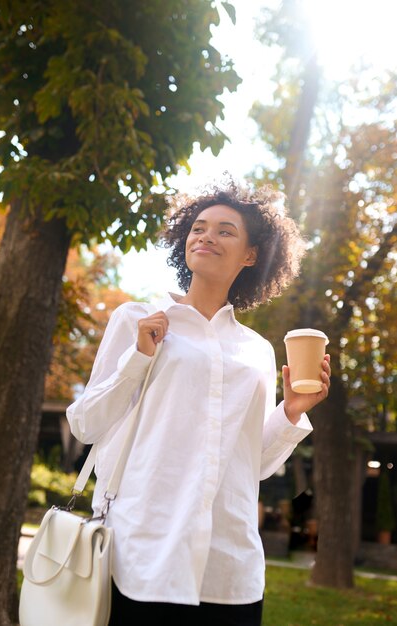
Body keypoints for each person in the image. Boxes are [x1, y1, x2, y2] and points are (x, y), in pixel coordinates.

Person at [66, 178, 331, 626]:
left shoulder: (257, 351)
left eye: (226, 230)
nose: (206, 235)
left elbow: (252, 463)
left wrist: (291, 412)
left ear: (251, 255)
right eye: (198, 227)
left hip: (230, 565)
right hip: (143, 553)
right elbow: (85, 425)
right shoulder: (137, 320)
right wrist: (139, 358)